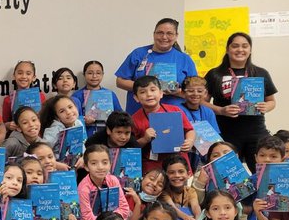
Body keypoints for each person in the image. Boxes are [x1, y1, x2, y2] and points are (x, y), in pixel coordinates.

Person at [204, 32, 278, 169]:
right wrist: (220, 110)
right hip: (225, 131)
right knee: (228, 173)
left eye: (245, 46)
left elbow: (272, 101)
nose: (240, 50)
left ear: (250, 50)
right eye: (235, 46)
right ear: (227, 49)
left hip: (255, 131)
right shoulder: (215, 74)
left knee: (262, 173)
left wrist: (265, 107)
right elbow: (202, 102)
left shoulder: (260, 73)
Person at [115, 17, 198, 114]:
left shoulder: (185, 59)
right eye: (160, 32)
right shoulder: (138, 54)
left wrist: (177, 91)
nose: (164, 37)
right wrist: (147, 88)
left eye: (169, 33)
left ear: (176, 36)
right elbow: (120, 81)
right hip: (139, 114)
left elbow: (194, 92)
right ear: (154, 34)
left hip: (173, 115)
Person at [129, 76, 194, 174]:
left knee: (185, 188)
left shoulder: (175, 110)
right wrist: (145, 139)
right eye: (142, 92)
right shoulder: (133, 119)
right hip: (153, 165)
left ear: (161, 93)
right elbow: (132, 147)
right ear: (136, 98)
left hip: (179, 161)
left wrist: (190, 141)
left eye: (153, 90)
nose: (149, 94)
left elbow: (189, 130)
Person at [77, 144, 133, 220]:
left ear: (110, 164)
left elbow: (124, 209)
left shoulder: (113, 180)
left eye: (105, 162)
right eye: (94, 163)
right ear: (86, 167)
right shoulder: (83, 188)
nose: (100, 167)